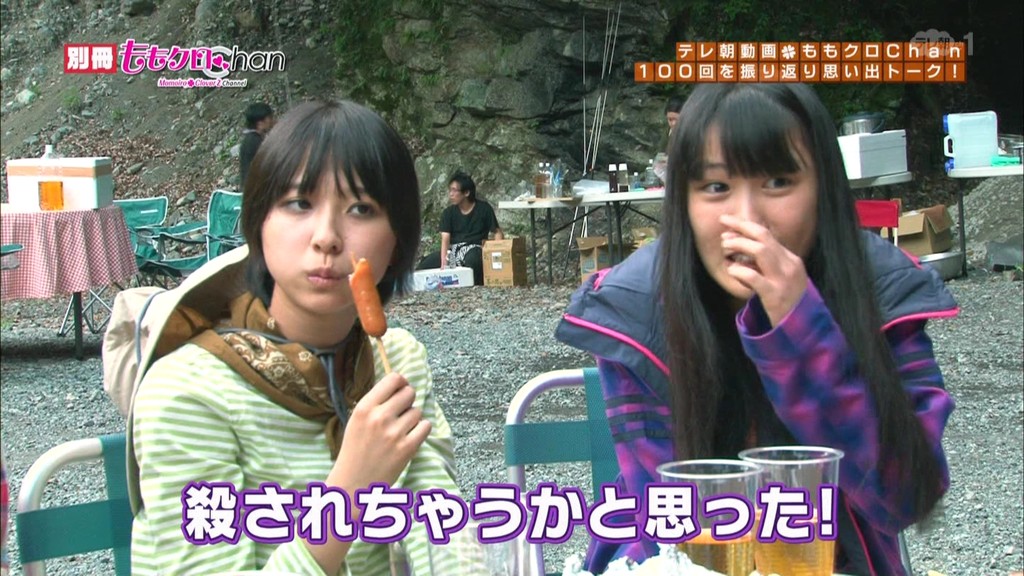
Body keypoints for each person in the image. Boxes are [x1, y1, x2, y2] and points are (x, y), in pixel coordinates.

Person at [555, 83, 957, 575]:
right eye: (715, 187)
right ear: (682, 202)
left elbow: (905, 497)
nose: (746, 220)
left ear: (824, 191)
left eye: (778, 181)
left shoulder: (881, 292)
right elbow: (663, 519)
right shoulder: (634, 310)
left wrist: (800, 329)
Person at [129, 100, 459, 575]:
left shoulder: (397, 363)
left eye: (360, 208)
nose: (327, 237)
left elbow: (441, 529)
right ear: (259, 222)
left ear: (397, 242)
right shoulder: (188, 391)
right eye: (300, 204)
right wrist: (349, 494)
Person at [416, 171, 503, 286]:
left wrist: (498, 253)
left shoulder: (484, 208)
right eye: (450, 190)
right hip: (453, 251)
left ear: (466, 192)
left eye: (454, 190)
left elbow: (497, 232)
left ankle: (475, 285)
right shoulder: (448, 213)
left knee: (473, 260)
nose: (451, 194)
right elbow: (445, 238)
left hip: (475, 248)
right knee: (425, 264)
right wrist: (444, 262)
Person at [239, 102, 274, 188]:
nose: (272, 121)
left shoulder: (249, 140)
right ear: (260, 123)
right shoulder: (256, 142)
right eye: (269, 118)